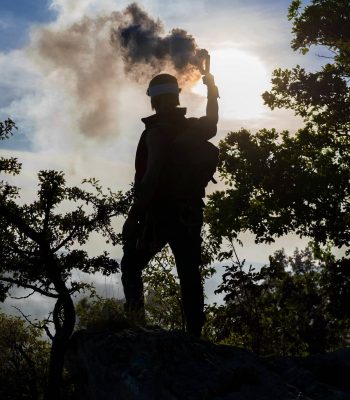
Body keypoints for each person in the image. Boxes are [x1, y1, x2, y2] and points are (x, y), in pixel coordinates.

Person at [121, 71, 219, 337]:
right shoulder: (191, 127)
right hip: (190, 212)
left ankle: (137, 329)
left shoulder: (156, 133)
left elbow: (151, 176)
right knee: (189, 273)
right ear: (176, 96)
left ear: (153, 100)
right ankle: (195, 336)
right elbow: (213, 122)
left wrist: (133, 217)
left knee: (131, 265)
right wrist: (212, 89)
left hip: (161, 213)